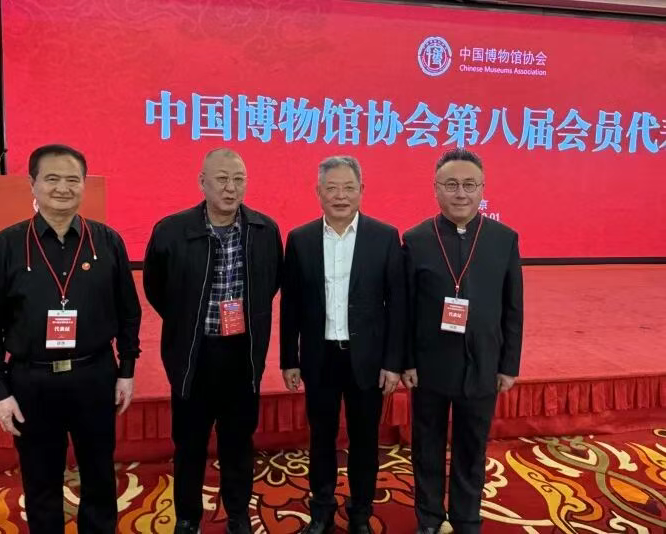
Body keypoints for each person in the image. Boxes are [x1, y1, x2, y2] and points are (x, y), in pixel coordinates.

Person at [0, 144, 142, 533]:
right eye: (52, 179)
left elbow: (128, 313)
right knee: (40, 479)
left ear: (84, 184)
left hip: (94, 375)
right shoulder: (4, 247)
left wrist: (127, 369)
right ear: (32, 184)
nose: (62, 188)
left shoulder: (107, 242)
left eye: (72, 179)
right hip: (31, 381)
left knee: (99, 474)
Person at [142, 148, 282, 534]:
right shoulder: (171, 230)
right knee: (189, 444)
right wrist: (186, 321)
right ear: (202, 182)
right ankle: (188, 517)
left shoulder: (265, 230)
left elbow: (270, 284)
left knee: (239, 442)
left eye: (238, 179)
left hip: (242, 355)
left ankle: (238, 513)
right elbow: (156, 287)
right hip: (194, 354)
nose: (230, 187)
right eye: (221, 179)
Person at [280, 155, 405, 534]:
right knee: (321, 439)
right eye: (332, 188)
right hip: (319, 358)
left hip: (367, 360)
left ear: (361, 191)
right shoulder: (300, 239)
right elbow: (291, 304)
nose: (340, 196)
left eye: (348, 188)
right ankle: (321, 510)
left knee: (365, 441)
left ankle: (361, 513)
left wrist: (393, 362)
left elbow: (397, 305)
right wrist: (289, 359)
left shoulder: (384, 237)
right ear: (318, 192)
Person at [402, 148, 523, 534]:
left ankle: (467, 519)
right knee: (427, 446)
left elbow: (513, 307)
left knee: (472, 448)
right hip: (430, 365)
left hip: (483, 363)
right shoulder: (416, 239)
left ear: (482, 189)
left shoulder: (503, 239)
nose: (460, 193)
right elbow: (405, 309)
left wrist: (508, 365)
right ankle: (429, 518)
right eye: (451, 184)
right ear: (436, 188)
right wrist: (406, 361)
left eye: (470, 185)